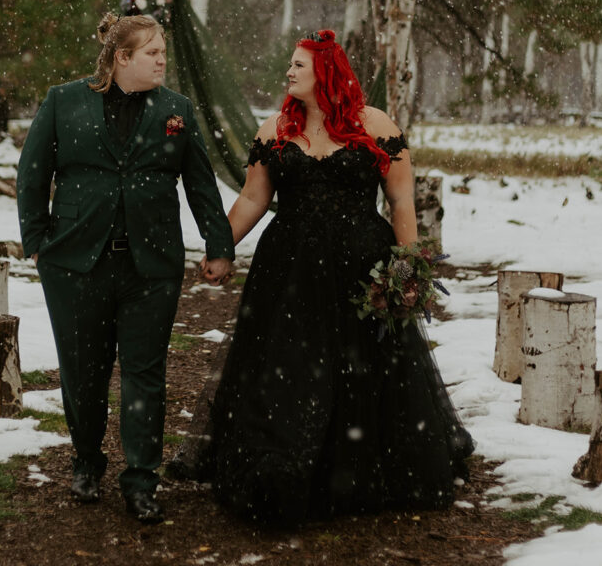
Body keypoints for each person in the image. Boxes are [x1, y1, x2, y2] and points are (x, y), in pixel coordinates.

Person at [201, 29, 473, 526]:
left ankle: (358, 469)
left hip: (361, 267)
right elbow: (253, 199)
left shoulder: (375, 125)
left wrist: (407, 265)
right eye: (289, 65)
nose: (288, 72)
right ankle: (282, 466)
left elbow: (401, 201)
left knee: (361, 365)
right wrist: (220, 249)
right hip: (289, 268)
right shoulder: (275, 129)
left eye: (298, 65)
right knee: (289, 360)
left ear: (326, 71)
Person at [17, 13, 234, 523]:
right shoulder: (63, 101)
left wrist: (218, 244)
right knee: (82, 372)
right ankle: (87, 463)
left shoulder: (176, 110)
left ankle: (140, 479)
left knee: (145, 374)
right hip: (73, 264)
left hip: (151, 267)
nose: (163, 60)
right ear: (122, 58)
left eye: (163, 52)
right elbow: (32, 173)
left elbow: (200, 184)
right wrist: (37, 242)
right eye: (153, 53)